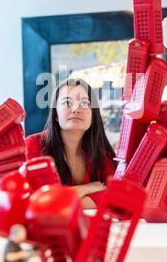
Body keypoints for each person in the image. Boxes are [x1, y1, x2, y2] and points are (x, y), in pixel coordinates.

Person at [25, 78, 117, 209]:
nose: (76, 109)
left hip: (84, 226)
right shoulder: (33, 146)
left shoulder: (101, 155)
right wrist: (87, 188)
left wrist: (61, 200)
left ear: (93, 115)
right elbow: (34, 199)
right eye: (67, 102)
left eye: (85, 103)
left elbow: (114, 196)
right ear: (55, 114)